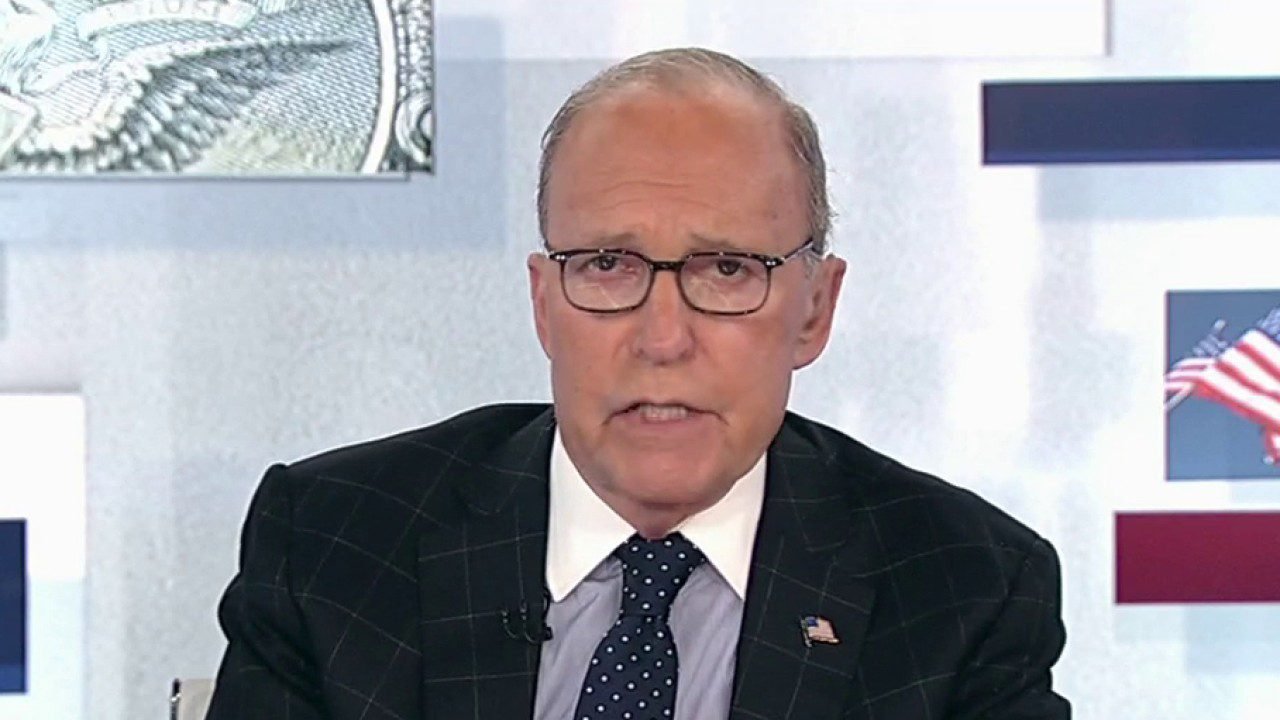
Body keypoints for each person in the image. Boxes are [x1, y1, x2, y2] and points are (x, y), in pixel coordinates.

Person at [206, 47, 1069, 720]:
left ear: (814, 310)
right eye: (609, 265)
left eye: (727, 270)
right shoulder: (335, 546)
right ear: (545, 304)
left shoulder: (962, 590)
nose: (662, 339)